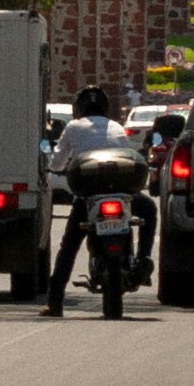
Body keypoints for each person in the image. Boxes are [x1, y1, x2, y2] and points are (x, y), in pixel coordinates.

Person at [45, 86, 136, 315]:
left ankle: (55, 303)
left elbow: (56, 163)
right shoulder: (117, 127)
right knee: (148, 213)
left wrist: (58, 168)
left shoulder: (73, 127)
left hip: (87, 197)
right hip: (118, 193)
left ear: (79, 108)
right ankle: (139, 260)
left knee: (69, 248)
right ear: (105, 107)